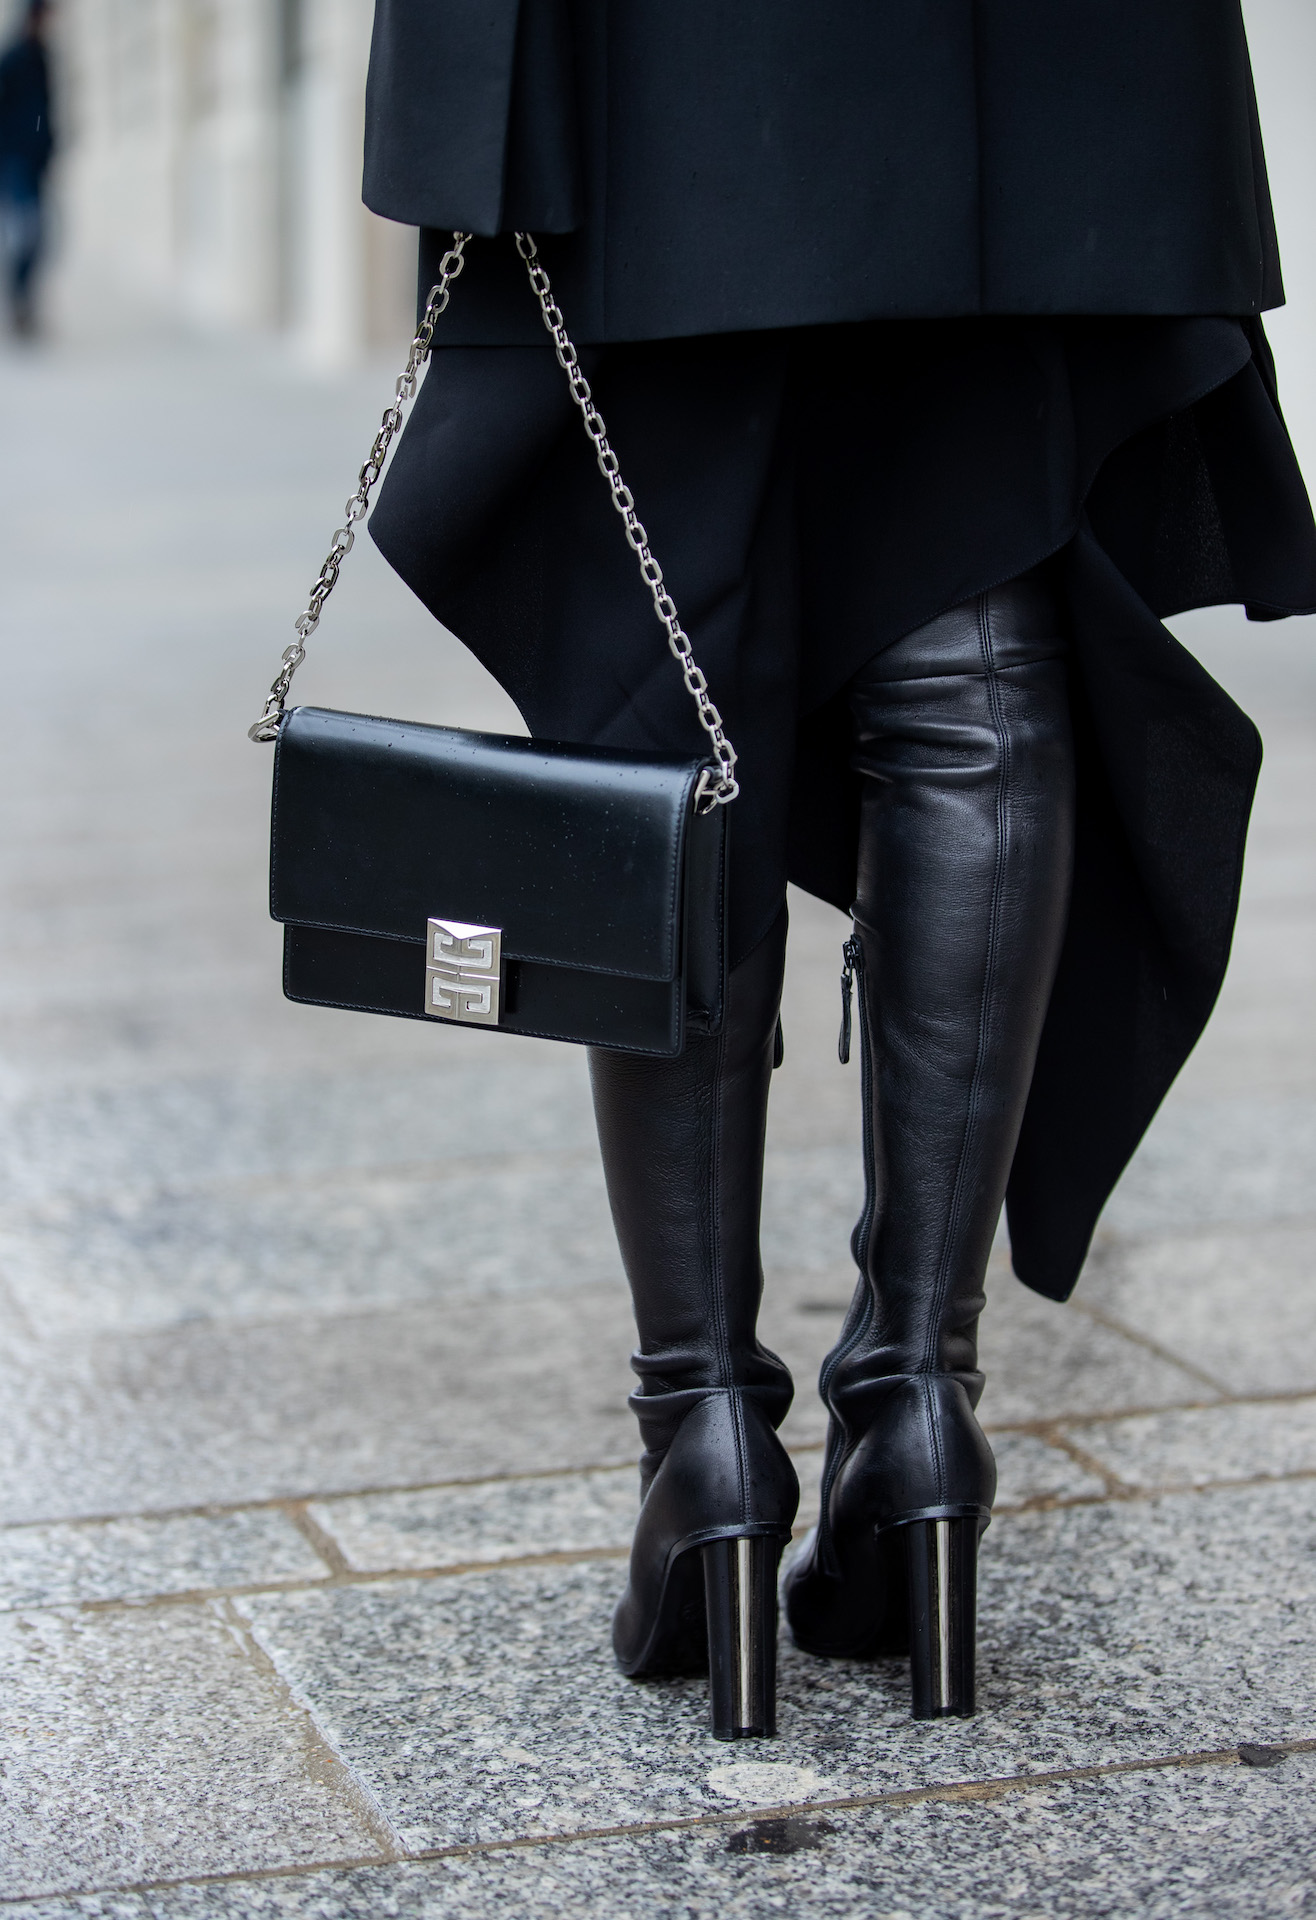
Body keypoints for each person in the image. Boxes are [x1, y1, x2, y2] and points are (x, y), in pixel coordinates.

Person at [358, 0, 1316, 1737]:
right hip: (1017, 71)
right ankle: (918, 1403)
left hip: (671, 62)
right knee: (973, 629)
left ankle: (704, 1433)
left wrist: (455, 103)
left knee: (670, 674)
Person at [0, 0, 54, 337]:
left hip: (36, 162)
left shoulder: (42, 56)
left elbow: (46, 111)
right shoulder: (14, 58)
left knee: (39, 237)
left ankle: (25, 301)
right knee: (26, 234)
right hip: (15, 162)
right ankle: (20, 303)